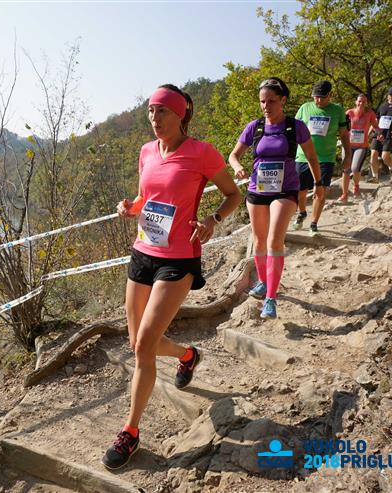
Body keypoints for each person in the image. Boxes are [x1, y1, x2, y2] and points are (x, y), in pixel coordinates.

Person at [103, 84, 241, 470]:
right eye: (151, 110)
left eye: (162, 111)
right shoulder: (147, 151)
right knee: (138, 344)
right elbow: (146, 198)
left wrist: (213, 219)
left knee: (144, 345)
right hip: (142, 252)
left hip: (178, 258)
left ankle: (130, 431)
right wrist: (130, 207)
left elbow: (233, 195)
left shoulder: (201, 152)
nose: (155, 118)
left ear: (181, 115)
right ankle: (187, 354)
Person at [229, 77, 323, 319]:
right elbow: (233, 155)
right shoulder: (255, 127)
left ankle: (270, 298)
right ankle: (263, 282)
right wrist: (238, 167)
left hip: (285, 190)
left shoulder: (295, 126)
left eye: (271, 101)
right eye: (262, 101)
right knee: (259, 241)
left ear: (283, 100)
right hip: (257, 190)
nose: (266, 106)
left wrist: (318, 183)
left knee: (274, 241)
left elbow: (312, 157)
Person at [293, 80, 351, 235]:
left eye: (321, 97)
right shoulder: (305, 108)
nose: (318, 100)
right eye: (315, 97)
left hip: (325, 157)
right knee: (299, 191)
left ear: (330, 95)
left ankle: (313, 224)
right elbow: (293, 131)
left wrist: (348, 156)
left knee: (320, 191)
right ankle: (302, 212)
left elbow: (344, 135)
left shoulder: (337, 110)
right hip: (303, 156)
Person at [344, 94, 379, 198]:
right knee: (346, 169)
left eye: (363, 102)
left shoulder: (370, 113)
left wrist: (379, 133)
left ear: (366, 103)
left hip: (361, 146)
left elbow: (376, 126)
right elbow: (342, 127)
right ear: (356, 102)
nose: (361, 103)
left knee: (355, 168)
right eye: (359, 101)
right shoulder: (349, 113)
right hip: (348, 145)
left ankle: (356, 186)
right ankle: (344, 194)